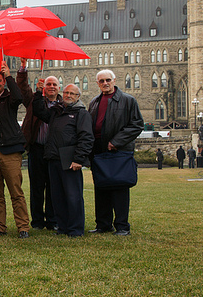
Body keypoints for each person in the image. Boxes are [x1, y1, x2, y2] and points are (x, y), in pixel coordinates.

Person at [32, 82, 93, 237]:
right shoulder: (55, 112)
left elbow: (86, 137)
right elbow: (39, 111)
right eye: (66, 93)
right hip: (53, 158)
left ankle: (75, 229)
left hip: (70, 160)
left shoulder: (81, 113)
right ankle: (63, 227)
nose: (68, 96)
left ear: (78, 97)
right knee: (57, 196)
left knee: (73, 196)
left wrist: (79, 159)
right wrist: (39, 92)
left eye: (72, 94)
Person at [87, 69, 144, 236]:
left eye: (108, 80)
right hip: (99, 150)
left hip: (118, 151)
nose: (105, 83)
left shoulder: (128, 100)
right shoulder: (94, 102)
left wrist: (116, 141)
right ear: (97, 83)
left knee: (119, 188)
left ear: (114, 80)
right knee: (101, 188)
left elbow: (137, 125)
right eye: (101, 81)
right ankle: (103, 224)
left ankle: (122, 226)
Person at [0, 63, 31, 238]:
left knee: (15, 192)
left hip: (10, 151)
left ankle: (23, 227)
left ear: (3, 82)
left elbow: (19, 97)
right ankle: (0, 227)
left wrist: (10, 76)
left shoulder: (9, 99)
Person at [17, 59, 59, 231]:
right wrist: (23, 69)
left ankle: (52, 220)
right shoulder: (33, 101)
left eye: (54, 84)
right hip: (36, 149)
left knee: (53, 186)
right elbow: (23, 87)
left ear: (58, 87)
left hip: (54, 151)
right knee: (36, 187)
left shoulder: (63, 105)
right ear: (44, 86)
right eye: (48, 84)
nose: (51, 87)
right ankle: (37, 222)